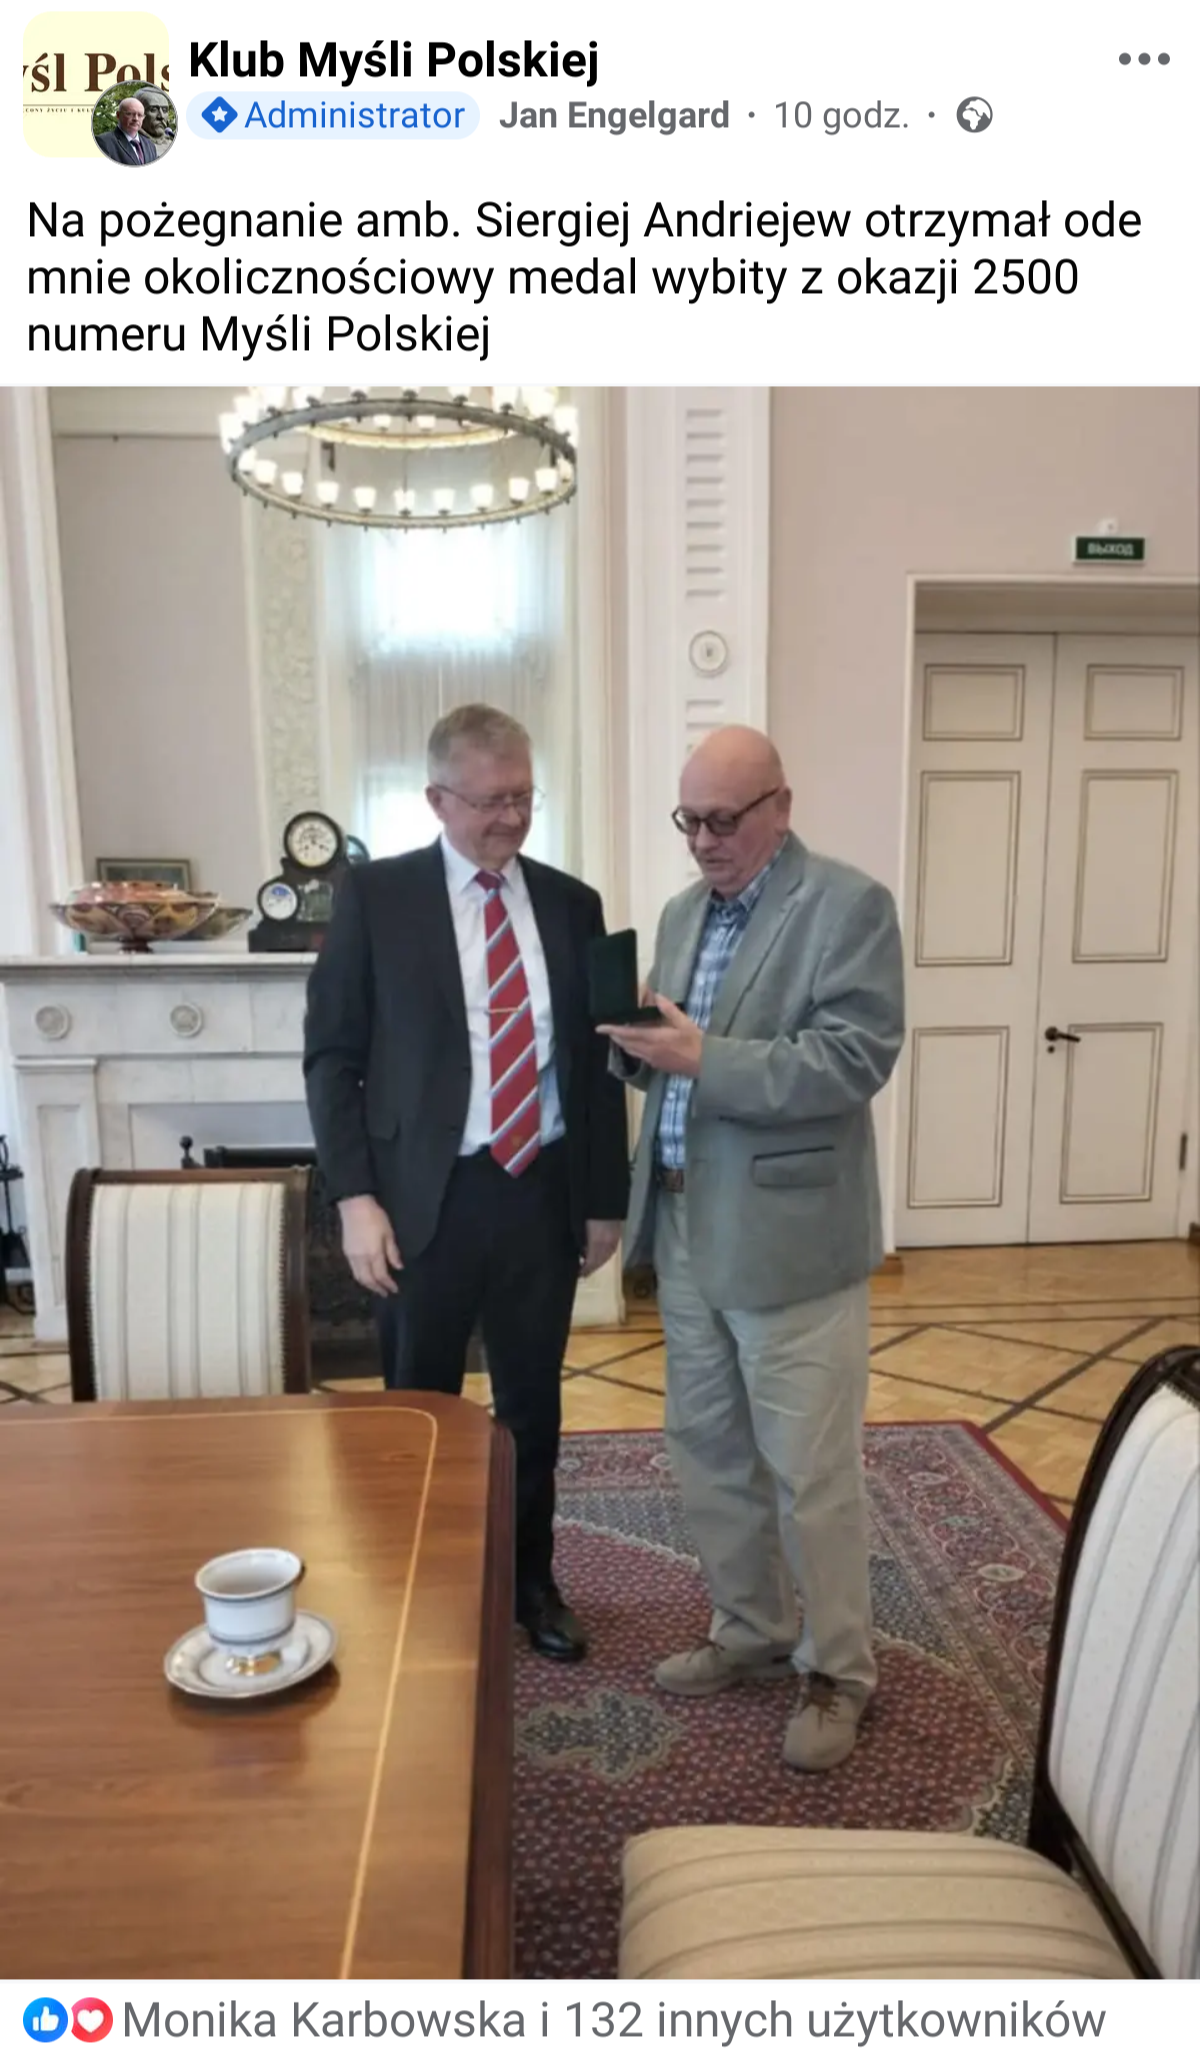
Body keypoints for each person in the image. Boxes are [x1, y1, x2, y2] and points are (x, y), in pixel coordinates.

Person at [602, 725, 904, 1770]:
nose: (703, 841)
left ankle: (838, 1671)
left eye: (723, 820)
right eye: (688, 820)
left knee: (809, 1471)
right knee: (710, 1450)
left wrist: (704, 1057)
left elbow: (853, 1059)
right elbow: (676, 1054)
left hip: (790, 1238)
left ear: (780, 805)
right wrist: (634, 1048)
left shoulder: (848, 906)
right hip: (686, 1221)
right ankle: (753, 1630)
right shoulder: (684, 914)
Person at [304, 705, 629, 1661]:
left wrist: (602, 1197)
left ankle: (532, 1583)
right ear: (438, 799)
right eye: (490, 801)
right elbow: (332, 1059)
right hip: (420, 1202)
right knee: (421, 1410)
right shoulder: (377, 898)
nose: (511, 818)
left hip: (538, 1190)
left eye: (524, 796)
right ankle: (426, 1583)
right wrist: (355, 1200)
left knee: (532, 1408)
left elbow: (596, 1061)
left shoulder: (572, 904)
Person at [95, 97, 158, 164]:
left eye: (139, 115)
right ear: (118, 115)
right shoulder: (103, 142)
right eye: (129, 114)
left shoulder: (150, 145)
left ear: (143, 118)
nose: (136, 119)